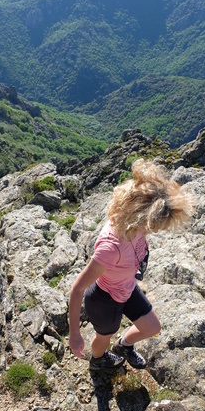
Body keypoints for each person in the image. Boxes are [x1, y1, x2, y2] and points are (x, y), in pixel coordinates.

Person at [68, 159, 193, 371]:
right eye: (154, 224)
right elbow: (78, 288)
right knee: (103, 337)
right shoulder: (111, 247)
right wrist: (74, 334)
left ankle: (123, 345)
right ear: (142, 214)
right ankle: (99, 361)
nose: (155, 229)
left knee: (152, 327)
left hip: (126, 288)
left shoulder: (136, 226)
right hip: (105, 299)